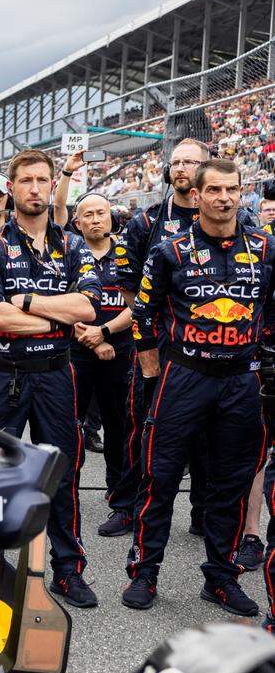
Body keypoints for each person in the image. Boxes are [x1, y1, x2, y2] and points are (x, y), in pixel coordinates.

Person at [123, 158, 273, 618]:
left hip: (241, 381)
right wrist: (152, 373)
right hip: (182, 376)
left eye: (232, 189)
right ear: (198, 195)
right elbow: (143, 318)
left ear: (240, 191)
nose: (224, 198)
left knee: (229, 482)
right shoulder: (170, 250)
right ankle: (145, 572)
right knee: (161, 476)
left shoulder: (266, 247)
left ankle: (221, 578)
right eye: (215, 190)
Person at [0, 148, 102, 609]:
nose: (34, 188)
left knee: (63, 472)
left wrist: (24, 301)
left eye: (42, 180)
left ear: (51, 185)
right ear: (12, 189)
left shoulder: (73, 244)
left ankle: (68, 569)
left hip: (55, 377)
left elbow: (88, 307)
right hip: (4, 375)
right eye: (25, 180)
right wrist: (55, 315)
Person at [107, 138, 214, 538]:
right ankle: (127, 506)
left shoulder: (232, 220)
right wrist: (149, 331)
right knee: (143, 425)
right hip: (156, 345)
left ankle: (203, 512)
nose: (182, 168)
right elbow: (131, 290)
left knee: (207, 434)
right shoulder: (146, 222)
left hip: (210, 349)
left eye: (191, 162)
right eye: (176, 162)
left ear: (207, 168)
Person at [67, 193, 132, 496]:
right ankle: (67, 489)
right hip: (76, 353)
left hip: (120, 352)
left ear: (111, 217)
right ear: (77, 223)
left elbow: (140, 305)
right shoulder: (67, 255)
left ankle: (117, 492)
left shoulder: (129, 255)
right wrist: (93, 341)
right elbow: (58, 305)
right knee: (69, 424)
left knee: (119, 425)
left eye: (100, 213)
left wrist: (104, 333)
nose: (95, 219)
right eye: (88, 214)